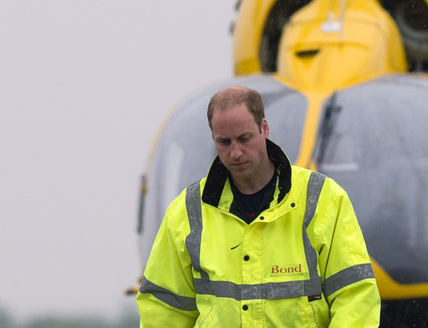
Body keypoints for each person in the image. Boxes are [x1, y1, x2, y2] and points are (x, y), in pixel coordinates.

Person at [137, 86, 381, 327]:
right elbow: (163, 311)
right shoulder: (187, 212)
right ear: (213, 139)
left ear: (264, 128)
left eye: (244, 139)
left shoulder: (323, 199)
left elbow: (356, 297)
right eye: (224, 142)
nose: (235, 153)